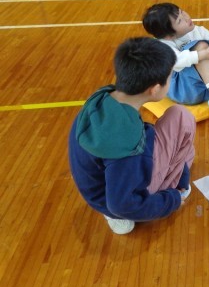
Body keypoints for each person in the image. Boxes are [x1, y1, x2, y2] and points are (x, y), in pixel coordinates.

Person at [68, 37, 196, 235]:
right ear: (155, 89)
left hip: (98, 188)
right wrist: (172, 199)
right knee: (181, 118)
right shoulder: (126, 144)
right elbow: (121, 204)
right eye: (171, 77)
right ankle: (131, 210)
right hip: (115, 202)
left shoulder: (103, 96)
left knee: (186, 149)